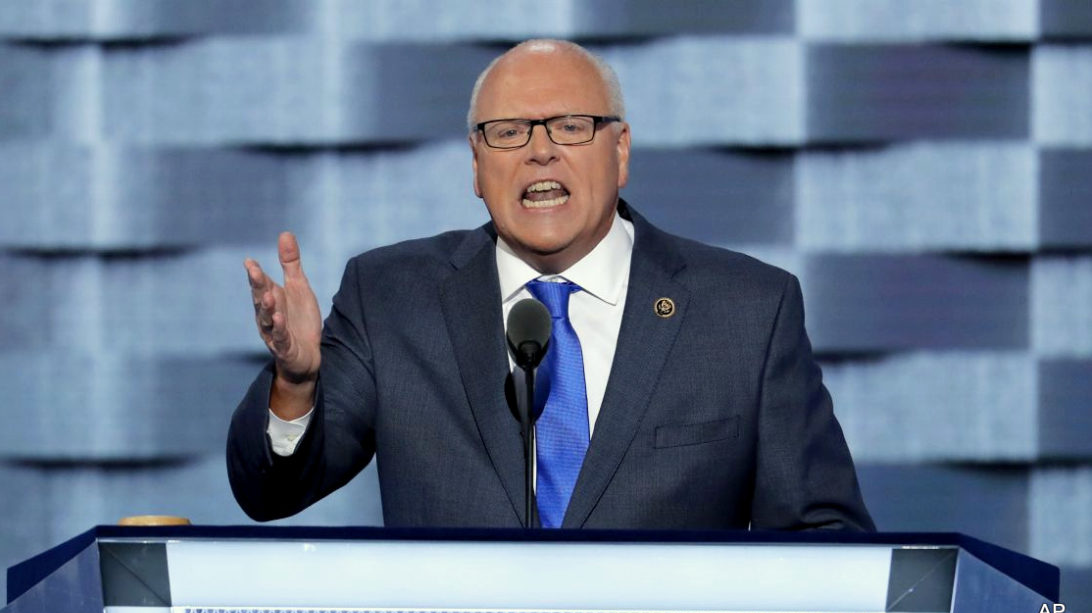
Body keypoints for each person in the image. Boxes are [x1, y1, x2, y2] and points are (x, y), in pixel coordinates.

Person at [228, 39, 874, 531]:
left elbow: (826, 540)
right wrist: (297, 383)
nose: (540, 151)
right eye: (508, 133)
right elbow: (271, 493)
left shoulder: (746, 313)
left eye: (570, 126)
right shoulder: (393, 298)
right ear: (477, 168)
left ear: (620, 153)